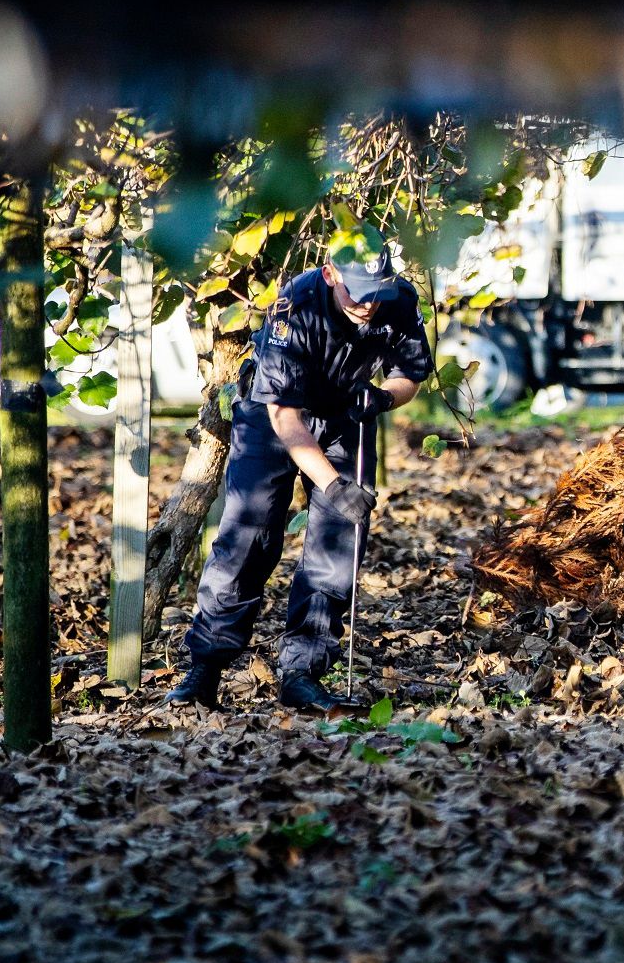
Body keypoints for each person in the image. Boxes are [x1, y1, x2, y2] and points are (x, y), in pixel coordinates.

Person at [165, 226, 434, 712]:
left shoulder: (398, 299)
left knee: (338, 545)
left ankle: (303, 672)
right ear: (331, 274)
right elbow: (284, 418)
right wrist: (331, 484)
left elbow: (410, 373)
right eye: (357, 292)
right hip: (275, 413)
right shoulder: (296, 307)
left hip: (345, 414)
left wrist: (381, 396)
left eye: (376, 293)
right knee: (248, 535)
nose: (368, 305)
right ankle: (205, 667)